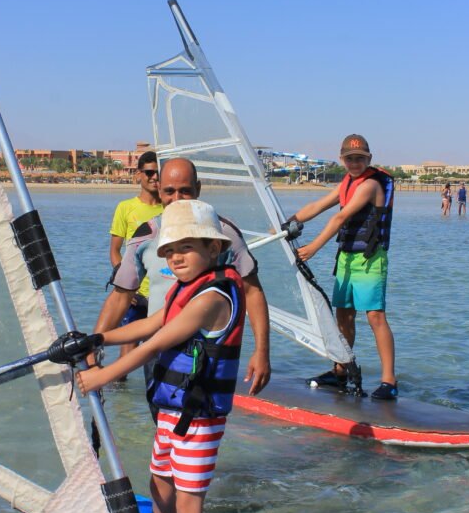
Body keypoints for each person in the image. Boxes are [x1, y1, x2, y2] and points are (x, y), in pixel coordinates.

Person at [78, 200, 246, 513]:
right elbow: (150, 322)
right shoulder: (178, 289)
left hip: (200, 419)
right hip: (173, 414)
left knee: (189, 508)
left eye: (187, 247)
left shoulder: (212, 297)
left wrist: (101, 376)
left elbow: (157, 342)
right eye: (170, 249)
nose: (174, 256)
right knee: (160, 489)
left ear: (213, 248)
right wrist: (98, 337)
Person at [91, 157, 271, 395]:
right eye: (169, 191)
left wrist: (261, 352)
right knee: (163, 423)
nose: (177, 199)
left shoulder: (221, 234)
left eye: (185, 191)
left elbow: (252, 291)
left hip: (204, 356)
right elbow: (120, 297)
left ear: (198, 189)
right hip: (156, 355)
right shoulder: (146, 235)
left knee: (197, 424)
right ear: (159, 190)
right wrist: (92, 347)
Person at [281, 134, 397, 400]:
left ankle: (389, 381)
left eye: (360, 158)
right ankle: (341, 371)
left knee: (375, 316)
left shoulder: (369, 185)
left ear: (368, 159)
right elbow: (317, 206)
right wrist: (286, 224)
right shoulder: (347, 182)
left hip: (369, 259)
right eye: (349, 158)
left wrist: (314, 247)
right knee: (343, 315)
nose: (355, 163)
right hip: (346, 257)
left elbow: (341, 216)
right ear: (342, 160)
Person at [107, 151, 163, 365]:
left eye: (158, 173)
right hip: (136, 295)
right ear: (139, 174)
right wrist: (126, 286)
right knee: (126, 359)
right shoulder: (125, 207)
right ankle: (121, 398)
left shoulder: (169, 207)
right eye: (149, 172)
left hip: (162, 296)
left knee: (160, 357)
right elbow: (114, 251)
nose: (154, 177)